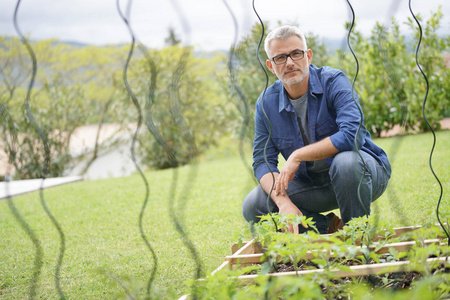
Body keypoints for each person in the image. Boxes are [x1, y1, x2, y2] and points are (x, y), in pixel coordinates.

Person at [242, 25, 391, 234]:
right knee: (254, 205)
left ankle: (357, 240)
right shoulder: (266, 103)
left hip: (360, 175)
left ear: (308, 56)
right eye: (280, 58)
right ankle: (329, 228)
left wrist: (298, 155)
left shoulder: (334, 81)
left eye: (296, 53)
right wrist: (283, 202)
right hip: (312, 185)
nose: (290, 62)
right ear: (270, 65)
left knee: (345, 162)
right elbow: (262, 161)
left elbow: (352, 135)